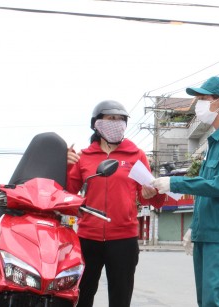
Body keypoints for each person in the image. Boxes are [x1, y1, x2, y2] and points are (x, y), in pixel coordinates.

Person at [152, 76, 219, 307]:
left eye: (202, 99)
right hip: (207, 232)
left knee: (213, 300)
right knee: (205, 301)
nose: (198, 104)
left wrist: (174, 183)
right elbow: (206, 187)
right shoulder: (215, 141)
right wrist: (194, 228)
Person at [66, 100, 165, 307]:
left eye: (121, 119)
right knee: (82, 296)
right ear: (96, 124)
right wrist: (64, 165)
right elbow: (67, 192)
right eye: (111, 118)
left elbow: (151, 197)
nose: (117, 123)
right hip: (88, 237)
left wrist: (151, 193)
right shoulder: (84, 157)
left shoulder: (136, 155)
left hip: (124, 239)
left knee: (120, 298)